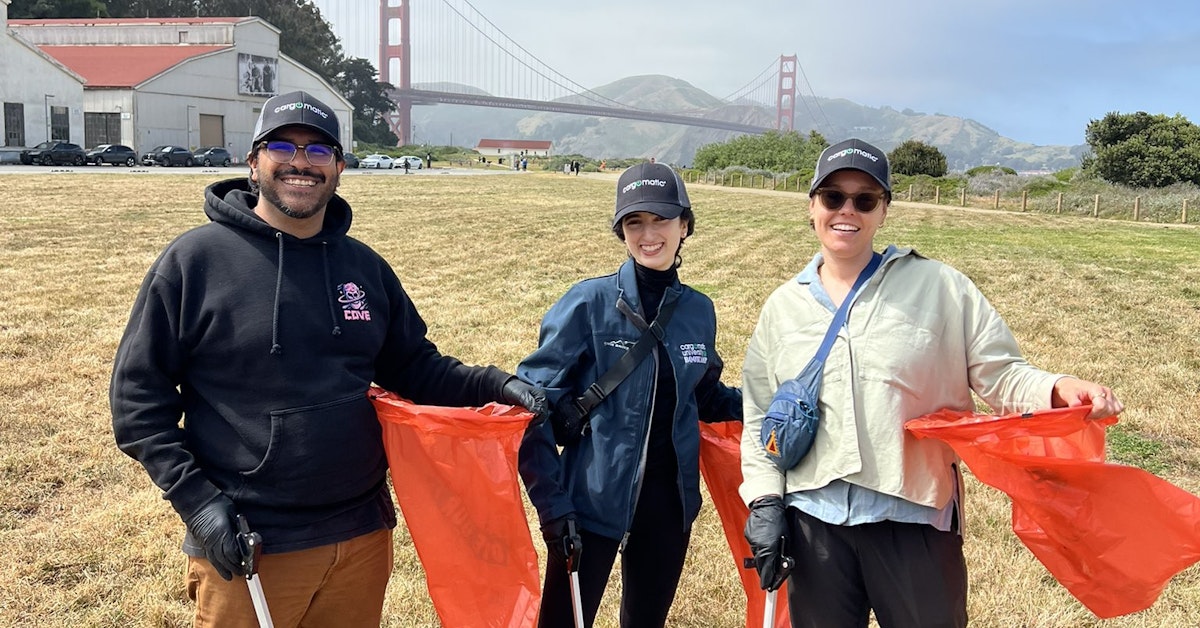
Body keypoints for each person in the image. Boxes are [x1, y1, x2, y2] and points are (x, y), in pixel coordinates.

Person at [109, 91, 547, 628]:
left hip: (361, 532)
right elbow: (137, 405)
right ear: (253, 162)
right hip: (252, 541)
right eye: (282, 147)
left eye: (319, 150)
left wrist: (495, 385)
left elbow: (413, 367)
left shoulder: (363, 267)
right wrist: (199, 504)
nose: (300, 162)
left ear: (339, 166)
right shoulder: (193, 263)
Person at [739, 138, 1125, 628]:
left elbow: (1001, 373)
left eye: (865, 200)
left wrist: (1059, 387)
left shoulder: (942, 287)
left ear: (884, 211)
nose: (847, 211)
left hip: (914, 519)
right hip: (814, 522)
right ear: (812, 206)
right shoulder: (781, 308)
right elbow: (759, 416)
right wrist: (767, 501)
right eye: (833, 197)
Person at [518, 162, 743, 627]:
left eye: (660, 219)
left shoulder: (699, 310)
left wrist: (771, 403)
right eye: (634, 222)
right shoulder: (588, 302)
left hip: (669, 507)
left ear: (685, 225)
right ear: (621, 230)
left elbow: (705, 397)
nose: (648, 234)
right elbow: (531, 404)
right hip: (589, 504)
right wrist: (553, 507)